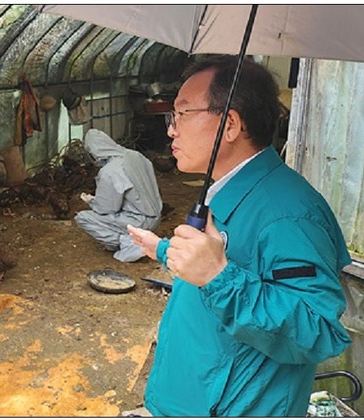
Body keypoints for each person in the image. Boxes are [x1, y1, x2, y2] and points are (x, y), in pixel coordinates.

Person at [127, 55, 352, 416]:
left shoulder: (288, 215)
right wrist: (163, 249)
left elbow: (318, 330)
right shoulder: (232, 191)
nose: (170, 129)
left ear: (229, 124)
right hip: (192, 397)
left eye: (181, 114)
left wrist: (219, 278)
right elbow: (225, 259)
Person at [74, 128, 162, 262]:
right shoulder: (136, 156)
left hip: (138, 221)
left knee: (83, 218)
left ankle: (129, 243)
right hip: (156, 216)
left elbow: (107, 208)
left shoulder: (110, 170)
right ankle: (133, 238)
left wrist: (91, 200)